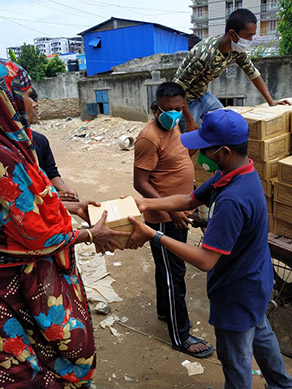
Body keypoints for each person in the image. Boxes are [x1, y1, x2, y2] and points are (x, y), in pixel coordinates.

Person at [127, 109, 292, 388]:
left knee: (236, 360)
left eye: (205, 149)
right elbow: (190, 200)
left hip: (237, 291)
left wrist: (154, 235)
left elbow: (205, 260)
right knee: (261, 333)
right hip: (255, 281)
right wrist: (146, 204)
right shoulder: (236, 171)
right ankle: (281, 384)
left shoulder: (232, 200)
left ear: (224, 152)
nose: (199, 154)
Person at [0, 59, 129, 388]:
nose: (34, 103)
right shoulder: (5, 156)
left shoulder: (20, 144)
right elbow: (31, 231)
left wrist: (71, 206)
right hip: (13, 279)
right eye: (27, 95)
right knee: (32, 362)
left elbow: (36, 198)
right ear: (7, 99)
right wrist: (88, 234)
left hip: (26, 269)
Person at [133, 81, 213, 358]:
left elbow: (194, 137)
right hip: (165, 217)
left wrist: (185, 112)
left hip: (180, 212)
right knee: (173, 274)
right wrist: (171, 211)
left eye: (178, 109)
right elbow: (140, 182)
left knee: (166, 268)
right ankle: (181, 336)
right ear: (155, 108)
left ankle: (164, 311)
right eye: (168, 110)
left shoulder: (176, 124)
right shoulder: (149, 137)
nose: (174, 115)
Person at [174, 8, 291, 132]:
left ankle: (211, 150)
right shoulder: (204, 55)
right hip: (185, 101)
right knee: (186, 141)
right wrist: (189, 119)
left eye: (252, 35)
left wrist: (271, 101)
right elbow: (177, 89)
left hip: (203, 95)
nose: (251, 40)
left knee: (225, 124)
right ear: (232, 34)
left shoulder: (236, 50)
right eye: (248, 35)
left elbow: (252, 72)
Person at [23, 86, 79, 202]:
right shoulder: (5, 150)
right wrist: (52, 197)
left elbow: (51, 172)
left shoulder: (40, 140)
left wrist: (65, 189)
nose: (34, 105)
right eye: (29, 97)